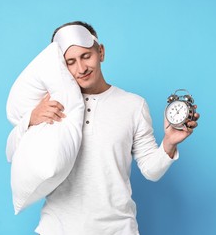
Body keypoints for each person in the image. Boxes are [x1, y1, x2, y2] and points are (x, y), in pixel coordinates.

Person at [12, 21, 199, 235]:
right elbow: (21, 156)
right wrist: (30, 119)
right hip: (57, 228)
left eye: (86, 56)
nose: (81, 68)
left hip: (118, 229)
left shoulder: (133, 105)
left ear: (100, 52)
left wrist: (169, 143)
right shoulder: (50, 104)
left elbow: (151, 171)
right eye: (70, 62)